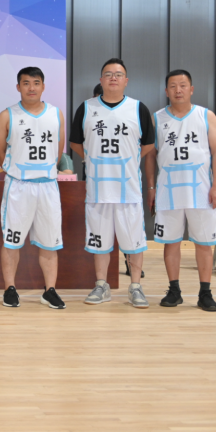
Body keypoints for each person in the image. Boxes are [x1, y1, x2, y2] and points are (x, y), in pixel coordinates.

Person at [69, 58, 155, 308]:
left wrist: (127, 160)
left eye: (118, 74)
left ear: (126, 80)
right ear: (101, 80)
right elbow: (75, 142)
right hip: (98, 190)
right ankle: (101, 285)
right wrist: (93, 159)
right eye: (108, 74)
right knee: (100, 242)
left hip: (128, 189)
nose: (113, 78)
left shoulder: (138, 108)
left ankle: (135, 286)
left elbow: (148, 144)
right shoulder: (86, 108)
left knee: (134, 242)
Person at [145, 70, 216, 312]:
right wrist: (151, 187)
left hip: (201, 190)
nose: (178, 90)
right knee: (171, 243)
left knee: (204, 243)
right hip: (168, 191)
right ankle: (174, 290)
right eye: (173, 86)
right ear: (166, 91)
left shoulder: (206, 116)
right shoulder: (157, 118)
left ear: (191, 89)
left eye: (183, 85)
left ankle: (205, 293)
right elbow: (150, 156)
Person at [0, 66, 67, 308]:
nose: (31, 88)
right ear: (18, 87)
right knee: (11, 240)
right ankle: (10, 289)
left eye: (36, 83)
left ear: (43, 86)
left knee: (50, 242)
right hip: (19, 186)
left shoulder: (56, 114)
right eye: (26, 83)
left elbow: (58, 151)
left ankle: (50, 290)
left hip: (47, 186)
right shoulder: (7, 115)